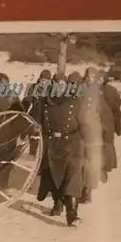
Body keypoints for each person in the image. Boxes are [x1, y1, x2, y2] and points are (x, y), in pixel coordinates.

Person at [34, 71, 92, 226]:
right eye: (56, 83)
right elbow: (35, 122)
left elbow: (85, 125)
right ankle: (57, 204)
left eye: (62, 84)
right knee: (55, 178)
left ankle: (72, 216)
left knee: (72, 178)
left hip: (73, 143)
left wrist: (89, 145)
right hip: (53, 144)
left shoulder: (76, 102)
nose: (59, 86)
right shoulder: (43, 102)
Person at [78, 66, 105, 203]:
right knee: (80, 161)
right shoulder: (80, 88)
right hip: (79, 130)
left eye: (93, 76)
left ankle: (87, 191)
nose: (90, 78)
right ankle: (80, 189)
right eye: (88, 76)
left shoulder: (98, 91)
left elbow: (102, 110)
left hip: (93, 131)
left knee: (90, 162)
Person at [98, 69, 121, 181]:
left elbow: (116, 110)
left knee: (105, 145)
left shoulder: (109, 91)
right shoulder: (112, 90)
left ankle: (104, 169)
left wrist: (118, 126)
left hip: (107, 122)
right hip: (104, 122)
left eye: (100, 79)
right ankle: (102, 168)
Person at [21, 69, 53, 158]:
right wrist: (23, 111)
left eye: (46, 81)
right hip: (36, 114)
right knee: (33, 134)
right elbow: (27, 101)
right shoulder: (33, 87)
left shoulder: (52, 90)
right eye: (42, 80)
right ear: (39, 80)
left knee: (46, 137)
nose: (44, 83)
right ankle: (32, 153)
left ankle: (44, 155)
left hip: (47, 116)